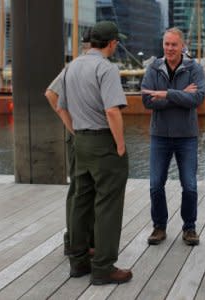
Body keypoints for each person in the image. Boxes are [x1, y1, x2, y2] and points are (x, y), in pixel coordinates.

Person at [54, 21, 132, 285]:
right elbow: (112, 111)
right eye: (116, 42)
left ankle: (78, 262)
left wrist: (75, 131)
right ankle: (103, 267)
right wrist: (120, 144)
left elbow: (59, 106)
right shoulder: (106, 68)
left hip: (82, 142)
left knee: (81, 201)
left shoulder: (71, 67)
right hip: (103, 143)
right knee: (108, 205)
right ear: (111, 43)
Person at [141, 27, 205, 246]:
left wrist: (166, 94)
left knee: (189, 185)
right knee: (155, 184)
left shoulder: (194, 68)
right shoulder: (153, 68)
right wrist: (180, 96)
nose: (169, 48)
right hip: (159, 135)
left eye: (174, 44)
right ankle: (159, 226)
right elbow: (148, 101)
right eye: (166, 44)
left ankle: (190, 227)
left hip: (186, 136)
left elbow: (197, 99)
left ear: (182, 46)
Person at [45, 26, 94, 257]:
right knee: (78, 189)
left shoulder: (87, 65)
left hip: (86, 136)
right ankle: (73, 241)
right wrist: (72, 127)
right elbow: (51, 94)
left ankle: (83, 240)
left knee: (85, 189)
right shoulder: (76, 67)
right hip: (79, 137)